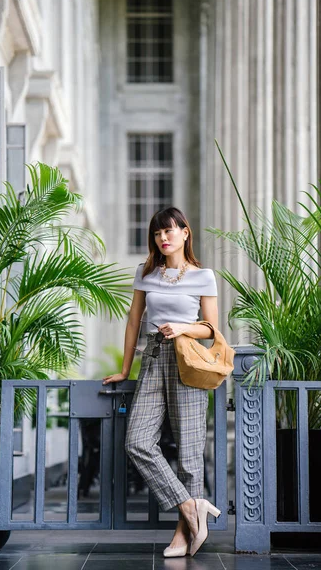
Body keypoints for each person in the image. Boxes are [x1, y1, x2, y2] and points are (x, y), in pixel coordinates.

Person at [103, 207, 221, 558]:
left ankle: (184, 536)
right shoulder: (146, 273)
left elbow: (212, 330)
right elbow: (133, 323)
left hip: (187, 358)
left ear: (186, 233)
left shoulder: (203, 276)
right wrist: (125, 370)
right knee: (137, 441)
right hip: (153, 357)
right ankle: (190, 507)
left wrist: (184, 327)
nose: (163, 238)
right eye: (157, 233)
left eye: (169, 231)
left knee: (189, 453)